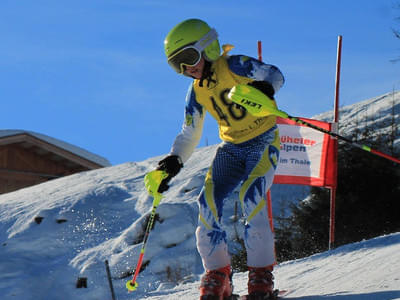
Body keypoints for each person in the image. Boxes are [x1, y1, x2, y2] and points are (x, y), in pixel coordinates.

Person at [145, 18, 284, 300]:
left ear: (207, 47)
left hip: (262, 140)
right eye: (177, 65)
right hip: (231, 148)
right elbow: (190, 132)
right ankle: (218, 274)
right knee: (207, 203)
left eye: (188, 58)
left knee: (251, 198)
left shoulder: (234, 66)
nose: (186, 69)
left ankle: (260, 275)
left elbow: (274, 75)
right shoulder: (196, 91)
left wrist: (265, 90)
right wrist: (174, 161)